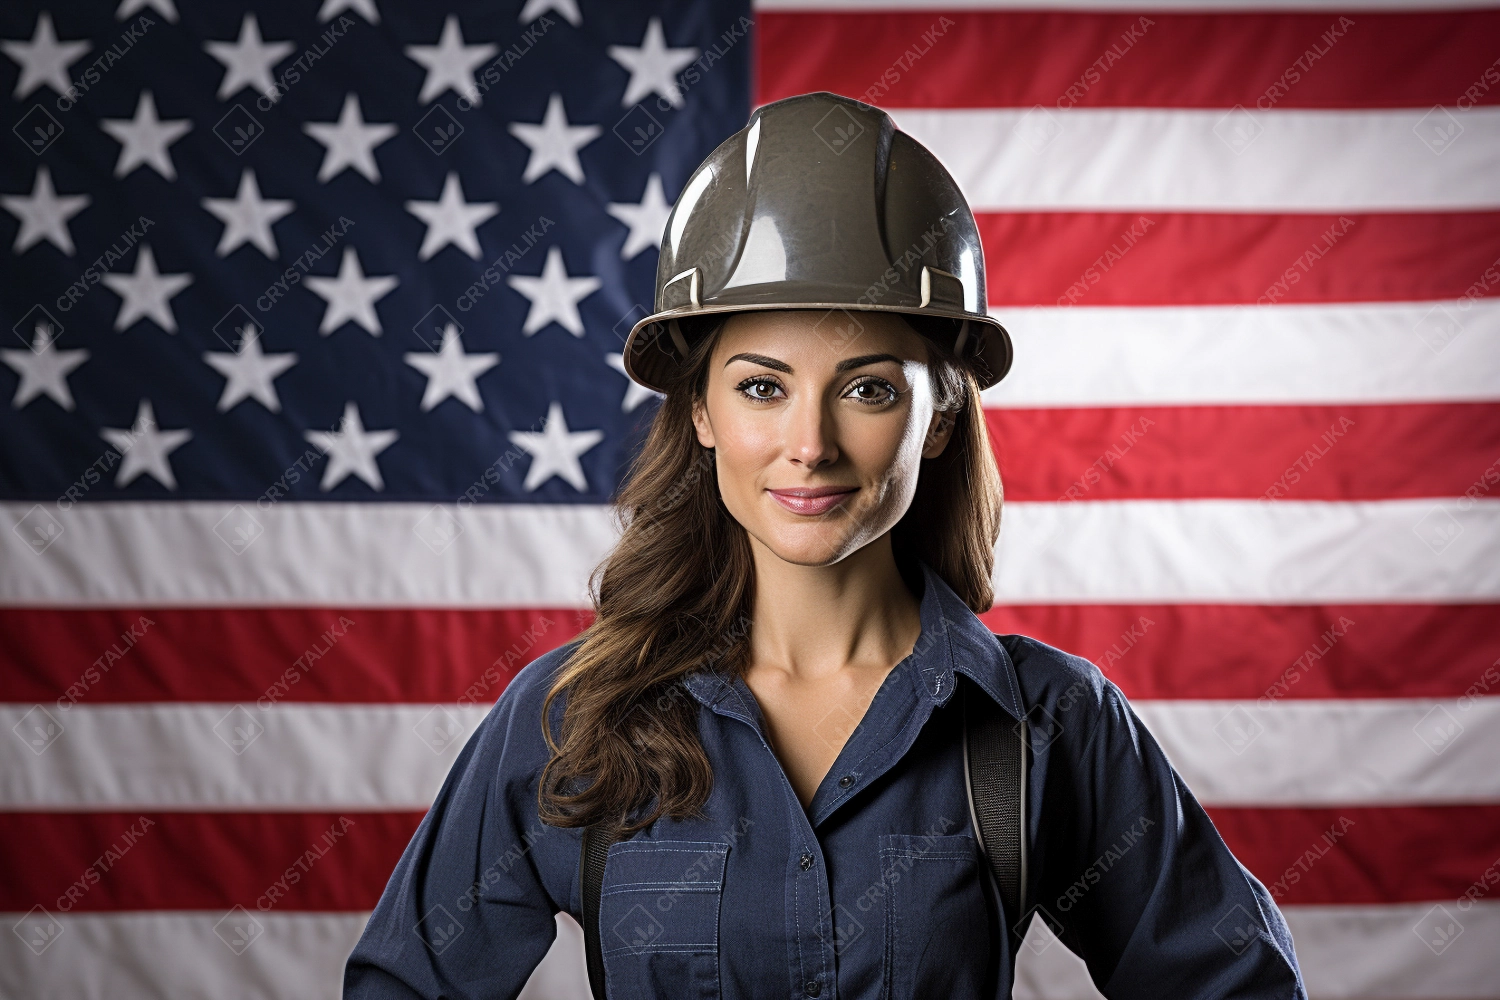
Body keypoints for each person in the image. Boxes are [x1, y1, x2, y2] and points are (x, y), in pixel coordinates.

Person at [345, 92, 1306, 999]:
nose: (810, 442)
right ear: (703, 412)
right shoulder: (570, 719)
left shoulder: (1049, 726)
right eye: (762, 386)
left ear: (939, 416)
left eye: (868, 387)